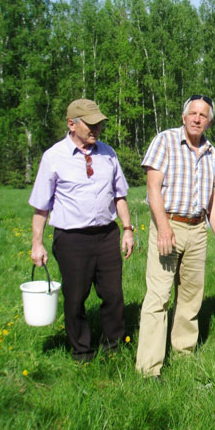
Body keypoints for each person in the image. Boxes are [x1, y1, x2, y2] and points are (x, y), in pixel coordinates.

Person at [29, 99, 134, 362]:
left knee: (113, 295)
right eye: (91, 123)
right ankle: (82, 352)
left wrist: (128, 229)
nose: (96, 128)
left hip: (107, 235)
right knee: (75, 298)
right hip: (72, 239)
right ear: (71, 124)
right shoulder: (53, 157)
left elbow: (120, 196)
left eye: (99, 123)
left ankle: (113, 347)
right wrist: (37, 244)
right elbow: (41, 206)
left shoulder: (108, 153)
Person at [135, 95, 215, 378]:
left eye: (203, 115)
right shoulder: (164, 141)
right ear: (183, 116)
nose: (197, 119)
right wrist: (163, 227)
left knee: (190, 296)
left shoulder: (212, 152)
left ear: (209, 121)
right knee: (159, 296)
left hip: (198, 229)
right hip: (169, 226)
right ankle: (149, 368)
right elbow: (153, 188)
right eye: (193, 113)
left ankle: (184, 353)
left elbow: (213, 202)